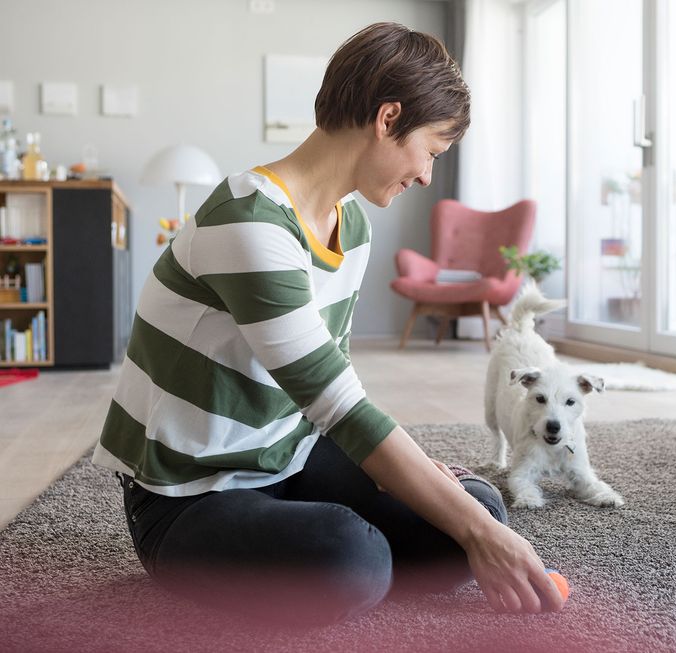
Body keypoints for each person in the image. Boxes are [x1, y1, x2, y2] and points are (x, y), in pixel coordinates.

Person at [92, 22, 564, 624]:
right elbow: (337, 403)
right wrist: (455, 519)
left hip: (288, 453)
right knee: (356, 557)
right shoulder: (250, 225)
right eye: (433, 152)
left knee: (480, 507)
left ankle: (318, 551)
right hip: (187, 494)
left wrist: (442, 498)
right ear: (388, 118)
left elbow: (332, 383)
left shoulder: (352, 225)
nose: (425, 175)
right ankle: (328, 556)